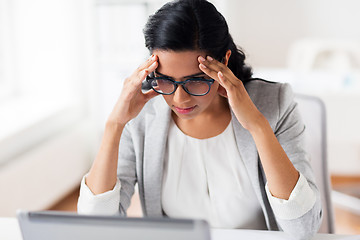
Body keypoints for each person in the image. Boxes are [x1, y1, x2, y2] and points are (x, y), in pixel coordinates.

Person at [77, 0, 322, 239]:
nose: (179, 99)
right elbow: (94, 227)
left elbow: (303, 229)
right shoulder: (143, 116)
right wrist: (114, 125)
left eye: (195, 80)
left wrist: (258, 126)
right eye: (166, 80)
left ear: (223, 62)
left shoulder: (274, 102)